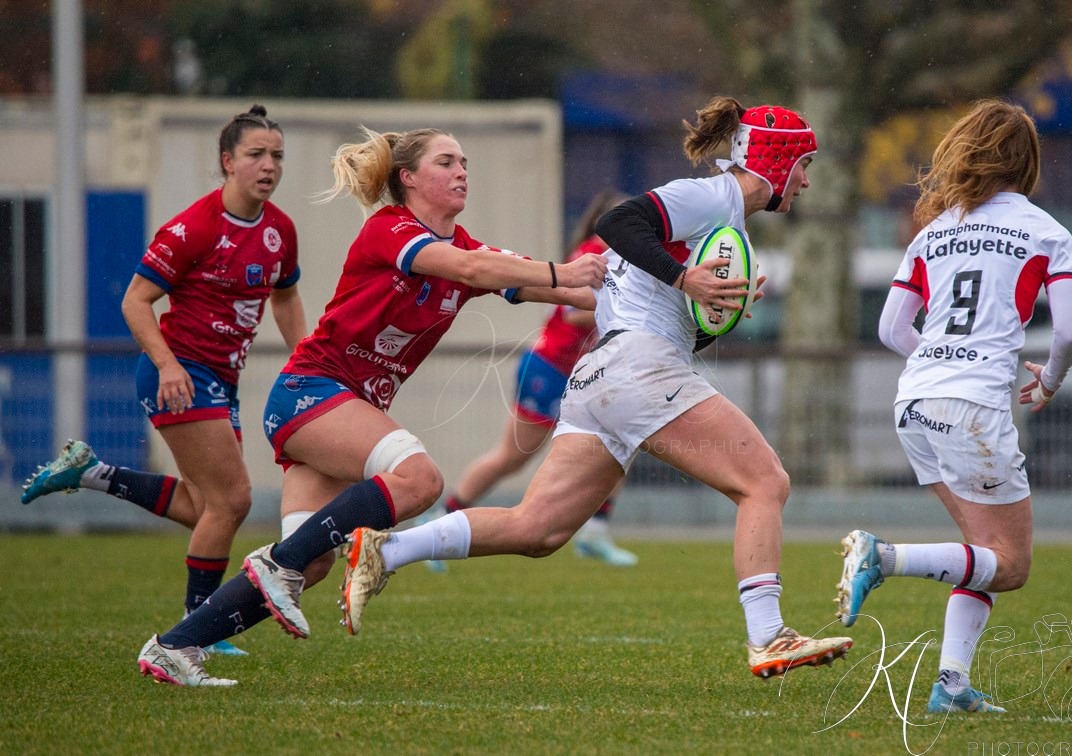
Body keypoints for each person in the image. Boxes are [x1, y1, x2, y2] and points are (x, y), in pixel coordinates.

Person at [336, 96, 854, 680]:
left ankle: (388, 549)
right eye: (803, 164)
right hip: (637, 367)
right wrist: (688, 280)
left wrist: (716, 308)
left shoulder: (724, 221)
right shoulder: (711, 195)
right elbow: (617, 223)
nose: (806, 180)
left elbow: (669, 316)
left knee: (538, 529)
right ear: (777, 159)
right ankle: (768, 636)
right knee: (765, 482)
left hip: (602, 374)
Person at [135, 125, 607, 686]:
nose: (461, 172)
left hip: (336, 410)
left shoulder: (466, 248)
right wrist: (564, 270)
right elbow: (479, 272)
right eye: (447, 162)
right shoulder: (391, 229)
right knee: (419, 479)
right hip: (310, 394)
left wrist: (676, 290)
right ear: (407, 178)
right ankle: (274, 567)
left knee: (311, 561)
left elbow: (552, 287)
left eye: (465, 163)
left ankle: (174, 645)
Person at [23, 105, 306, 657]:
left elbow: (287, 296)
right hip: (176, 372)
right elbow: (135, 301)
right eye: (255, 155)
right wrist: (170, 365)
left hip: (220, 378)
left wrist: (306, 361)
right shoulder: (192, 227)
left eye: (276, 156)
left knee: (208, 507)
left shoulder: (280, 231)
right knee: (233, 500)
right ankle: (195, 633)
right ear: (227, 162)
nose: (268, 165)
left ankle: (93, 473)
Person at [834, 100, 1072, 714]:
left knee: (981, 555)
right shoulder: (1046, 231)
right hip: (971, 405)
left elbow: (895, 327)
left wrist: (939, 363)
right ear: (1027, 163)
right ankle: (883, 556)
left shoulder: (934, 230)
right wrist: (1048, 381)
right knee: (1012, 564)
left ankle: (951, 687)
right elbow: (1071, 332)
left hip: (914, 400)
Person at [432, 189, 638, 570]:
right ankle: (441, 518)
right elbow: (572, 313)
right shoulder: (593, 253)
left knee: (621, 440)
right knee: (512, 457)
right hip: (549, 368)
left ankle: (595, 531)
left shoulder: (625, 259)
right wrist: (632, 313)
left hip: (584, 372)